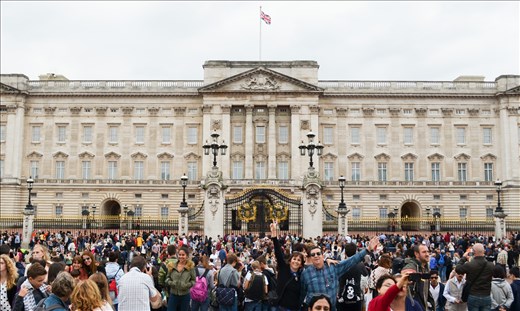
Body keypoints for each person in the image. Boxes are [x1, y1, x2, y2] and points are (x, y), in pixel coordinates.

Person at [300, 236, 379, 311]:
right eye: (313, 255)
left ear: (322, 255)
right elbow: (302, 294)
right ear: (310, 257)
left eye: (318, 253)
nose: (316, 256)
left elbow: (351, 261)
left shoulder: (332, 267)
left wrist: (368, 249)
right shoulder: (306, 273)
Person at [270, 221, 304, 311]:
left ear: (301, 264)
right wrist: (274, 234)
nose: (296, 262)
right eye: (294, 259)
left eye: (298, 260)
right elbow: (278, 253)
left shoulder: (301, 275)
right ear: (290, 260)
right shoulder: (283, 268)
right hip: (280, 307)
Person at [454, 243, 494, 311]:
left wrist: (463, 258)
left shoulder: (470, 265)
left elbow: (457, 268)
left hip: (473, 295)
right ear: (484, 251)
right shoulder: (491, 265)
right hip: (486, 295)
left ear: (473, 252)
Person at [401, 244, 434, 311]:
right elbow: (404, 288)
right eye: (424, 252)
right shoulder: (411, 267)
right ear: (416, 254)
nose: (427, 254)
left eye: (428, 252)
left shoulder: (426, 267)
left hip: (422, 305)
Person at [337, 243, 368, 311]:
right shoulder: (360, 265)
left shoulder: (341, 264)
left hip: (342, 297)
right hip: (357, 295)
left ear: (345, 253)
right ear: (356, 252)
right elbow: (365, 277)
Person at [165, 245, 196, 311]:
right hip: (173, 295)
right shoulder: (172, 266)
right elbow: (167, 278)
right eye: (179, 255)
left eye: (183, 255)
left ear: (187, 256)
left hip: (185, 295)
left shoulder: (190, 267)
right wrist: (171, 283)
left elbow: (193, 280)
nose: (181, 256)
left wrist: (186, 285)